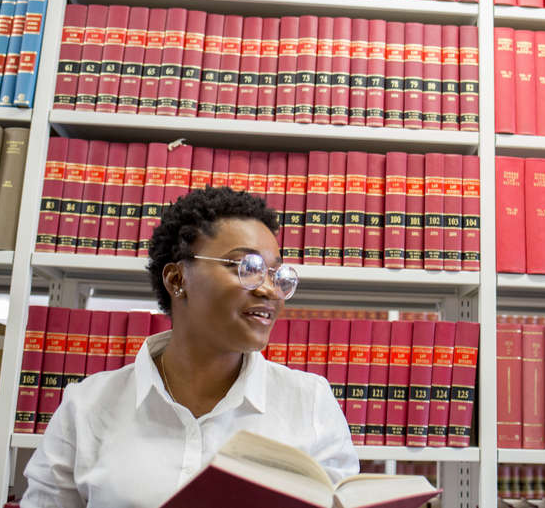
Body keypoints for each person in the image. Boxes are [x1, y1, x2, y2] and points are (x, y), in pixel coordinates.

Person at [21, 186, 359, 508]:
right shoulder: (87, 407)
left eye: (275, 274)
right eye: (248, 268)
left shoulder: (309, 402)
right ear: (176, 279)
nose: (269, 290)